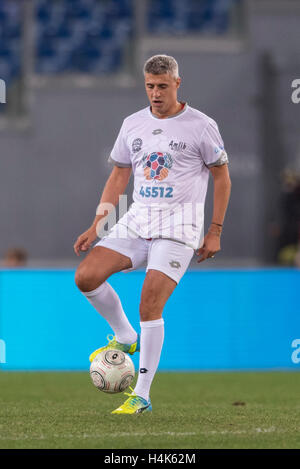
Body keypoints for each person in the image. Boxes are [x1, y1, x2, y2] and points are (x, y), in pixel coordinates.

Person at [74, 55, 231, 414]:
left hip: (178, 228)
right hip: (137, 221)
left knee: (150, 303)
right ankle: (125, 336)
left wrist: (215, 231)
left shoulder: (202, 125)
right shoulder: (133, 124)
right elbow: (118, 177)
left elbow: (222, 177)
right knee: (86, 276)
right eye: (150, 86)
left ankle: (141, 393)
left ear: (177, 83)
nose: (155, 93)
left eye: (162, 86)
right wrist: (97, 226)